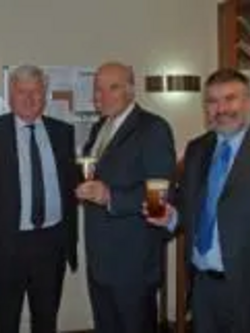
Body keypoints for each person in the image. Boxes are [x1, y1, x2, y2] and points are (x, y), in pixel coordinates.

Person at [146, 68, 250, 333]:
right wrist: (171, 217)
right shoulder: (197, 149)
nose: (221, 108)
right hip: (204, 288)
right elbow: (188, 206)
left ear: (248, 102)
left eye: (230, 98)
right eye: (213, 101)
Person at [0, 65, 78, 333]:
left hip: (51, 244)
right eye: (22, 91)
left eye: (36, 91)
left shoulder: (63, 133)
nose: (29, 98)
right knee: (3, 323)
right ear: (10, 96)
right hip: (5, 248)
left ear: (44, 95)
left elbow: (72, 183)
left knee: (46, 322)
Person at [75, 61, 176, 333]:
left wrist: (111, 196)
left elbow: (160, 194)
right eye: (98, 89)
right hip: (100, 259)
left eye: (113, 87)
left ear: (131, 90)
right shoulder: (100, 128)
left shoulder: (153, 128)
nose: (103, 95)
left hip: (134, 262)